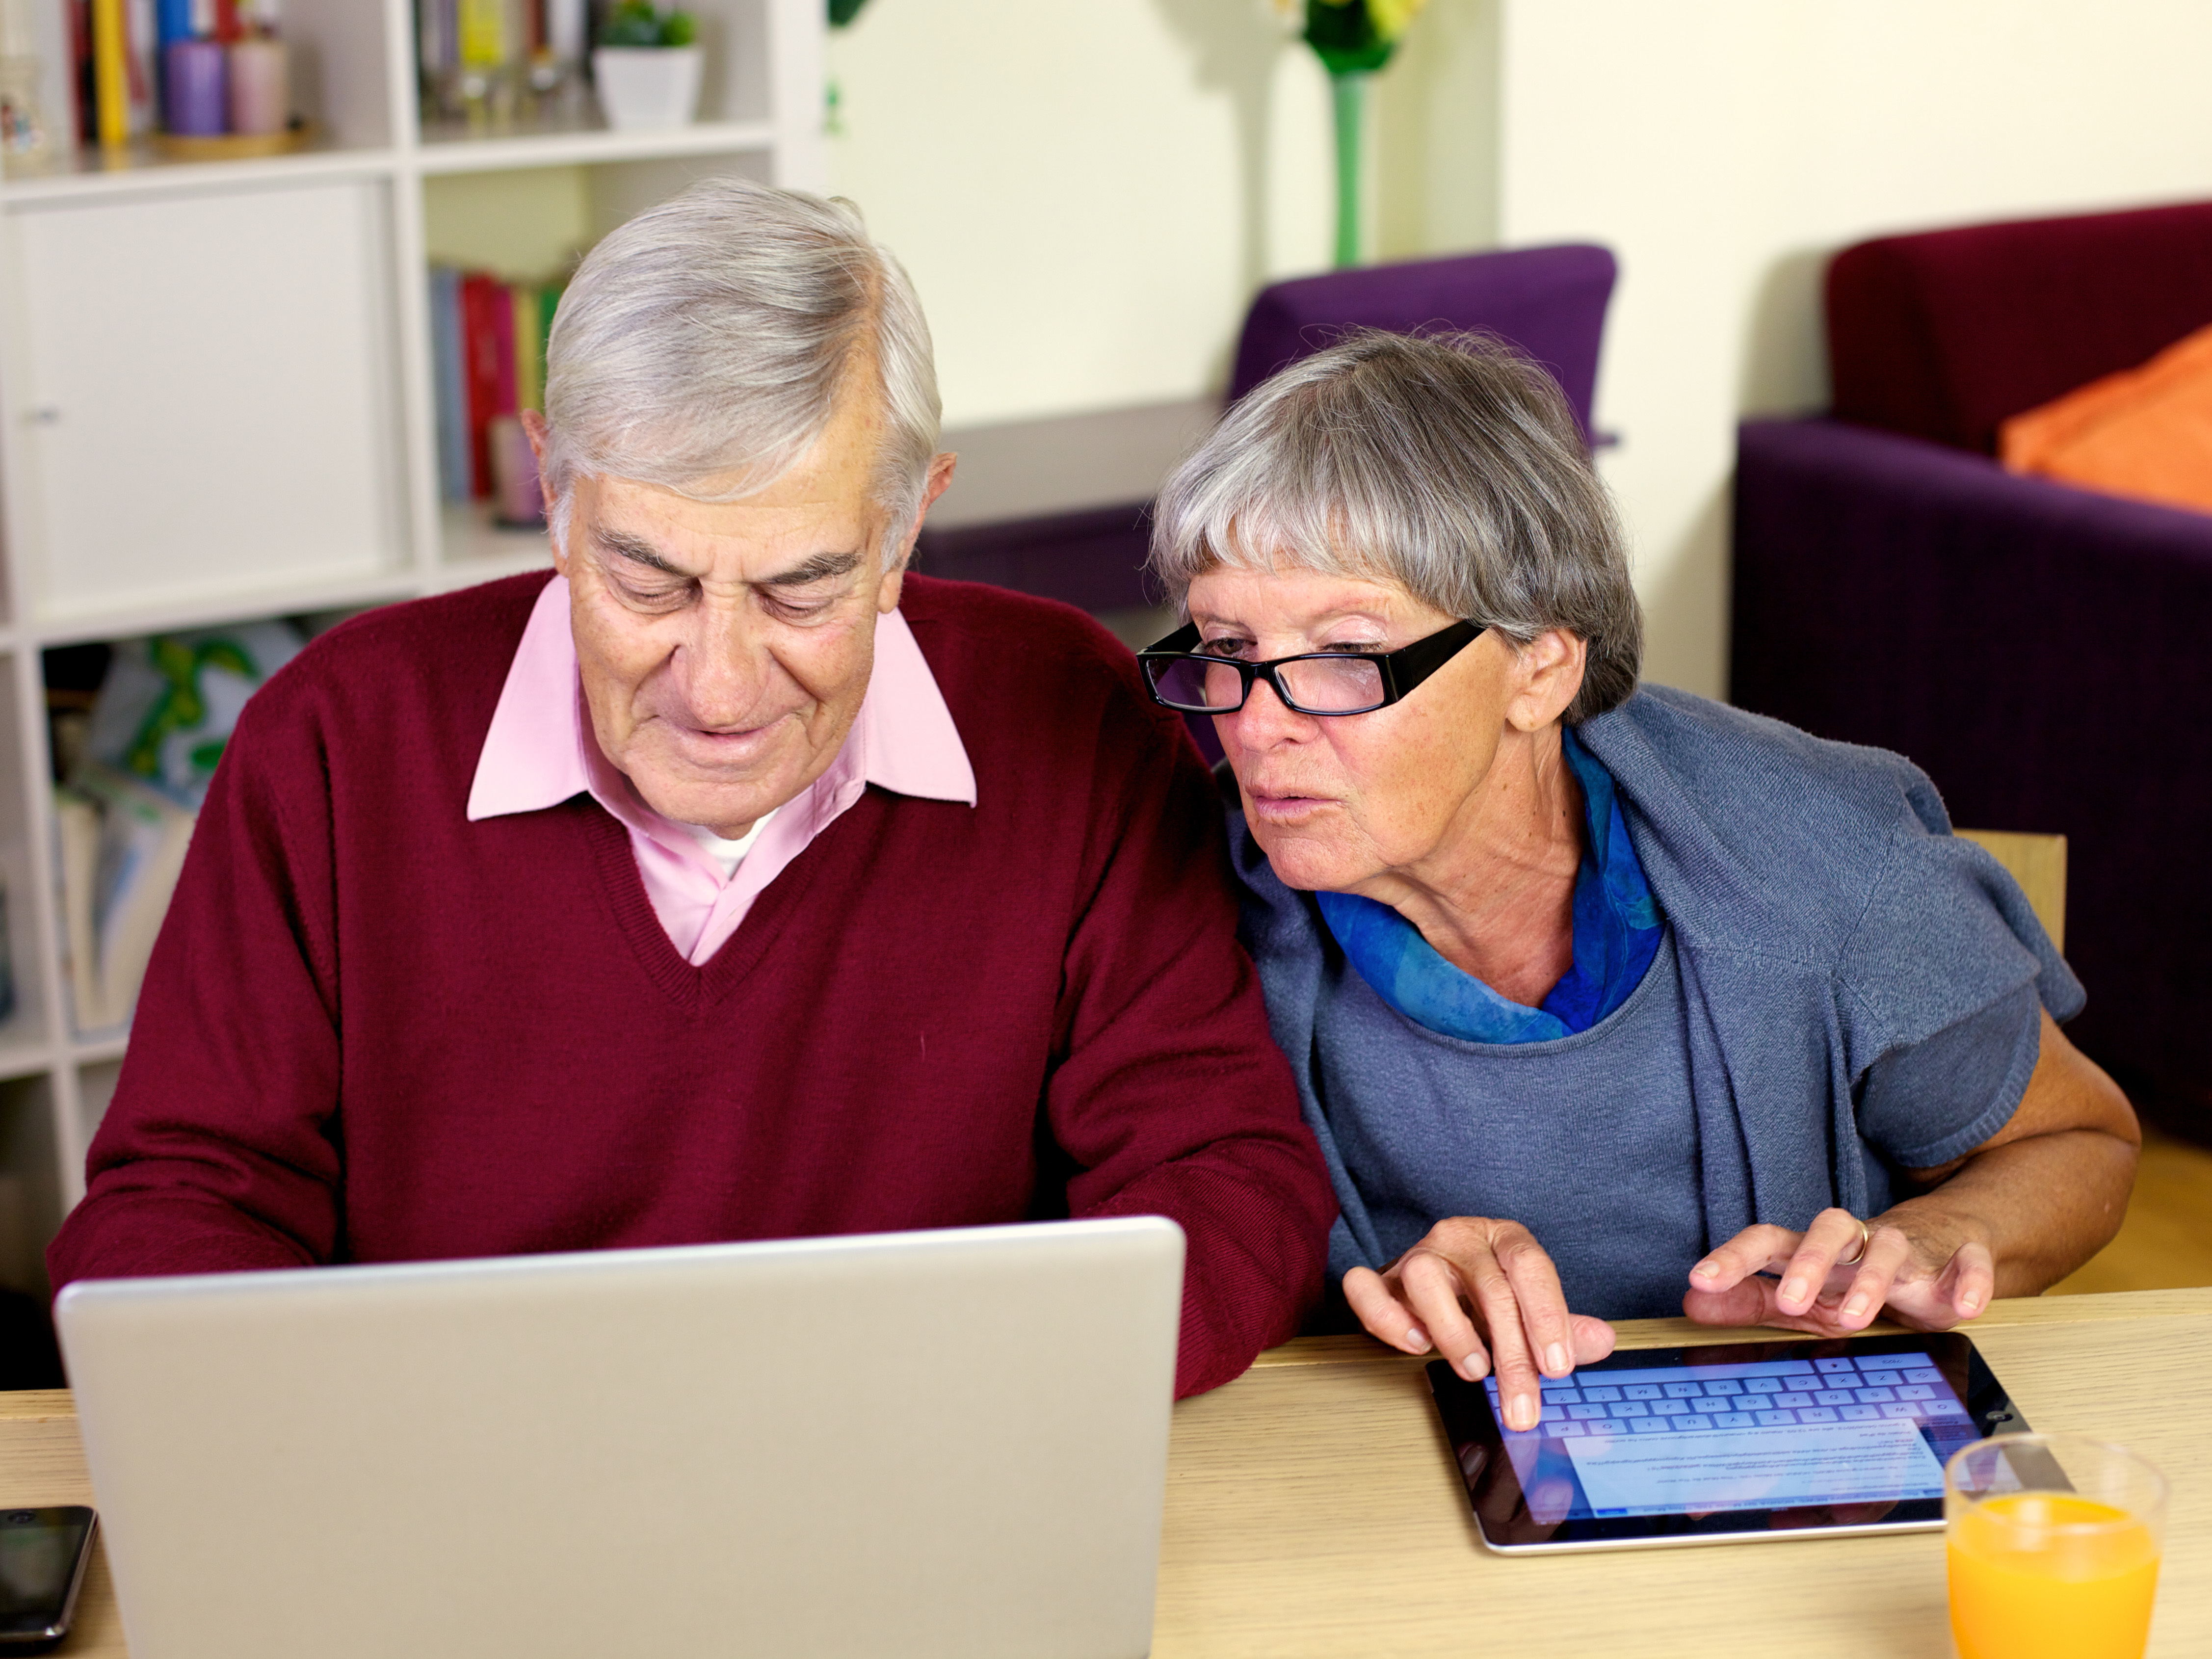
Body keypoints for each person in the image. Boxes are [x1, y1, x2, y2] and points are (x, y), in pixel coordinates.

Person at [48, 178, 1336, 1399]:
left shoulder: (1074, 714)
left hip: (929, 1462)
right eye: (647, 581)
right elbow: (180, 1205)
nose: (717, 689)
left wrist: (957, 1401)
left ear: (904, 529)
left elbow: (1218, 1175)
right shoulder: (335, 740)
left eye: (801, 587)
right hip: (454, 1498)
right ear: (553, 494)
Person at [1137, 329, 2140, 1428]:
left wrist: (1941, 1237)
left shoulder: (1825, 860)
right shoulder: (1170, 906)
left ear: (1539, 667)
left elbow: (2076, 1142)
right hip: (1384, 1490)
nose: (1257, 726)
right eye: (1228, 650)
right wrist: (1346, 1295)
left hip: (1788, 1471)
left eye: (1343, 656)